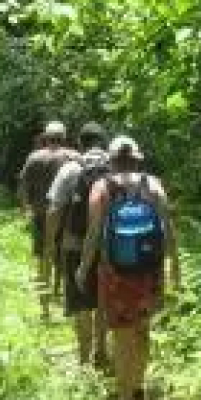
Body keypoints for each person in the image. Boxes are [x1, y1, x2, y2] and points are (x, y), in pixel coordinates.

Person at [76, 136, 180, 400]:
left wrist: (83, 268)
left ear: (111, 160)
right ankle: (138, 390)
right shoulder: (153, 185)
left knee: (121, 336)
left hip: (115, 273)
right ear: (137, 159)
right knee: (142, 331)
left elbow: (94, 233)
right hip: (150, 271)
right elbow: (168, 230)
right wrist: (176, 268)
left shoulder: (102, 187)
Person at [45, 122, 112, 370]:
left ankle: (84, 359)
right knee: (103, 299)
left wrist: (51, 243)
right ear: (104, 143)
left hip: (74, 245)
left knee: (81, 302)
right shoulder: (116, 169)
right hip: (109, 248)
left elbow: (54, 209)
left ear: (80, 144)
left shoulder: (71, 169)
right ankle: (102, 351)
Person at [16, 121, 76, 317]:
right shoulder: (73, 157)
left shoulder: (34, 157)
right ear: (64, 137)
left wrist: (26, 208)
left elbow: (23, 186)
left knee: (44, 256)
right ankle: (67, 299)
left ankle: (44, 305)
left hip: (42, 215)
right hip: (68, 215)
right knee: (66, 257)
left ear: (45, 137)